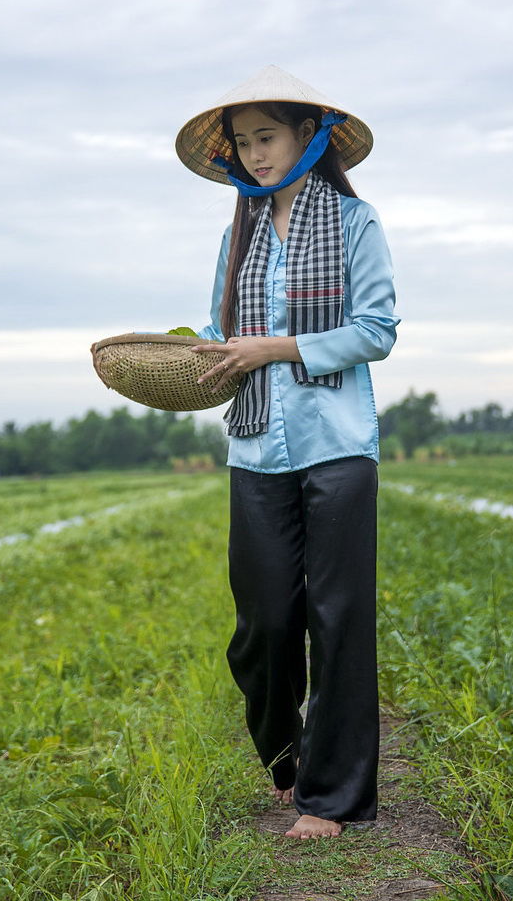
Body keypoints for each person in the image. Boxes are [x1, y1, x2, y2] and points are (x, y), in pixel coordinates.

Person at [175, 65, 399, 839]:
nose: (255, 153)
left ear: (309, 134)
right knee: (264, 621)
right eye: (243, 141)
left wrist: (273, 347)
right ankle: (285, 756)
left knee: (338, 618)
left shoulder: (353, 221)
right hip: (255, 446)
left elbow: (377, 330)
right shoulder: (237, 229)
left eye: (266, 136)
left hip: (338, 445)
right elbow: (218, 330)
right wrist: (183, 355)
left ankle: (330, 798)